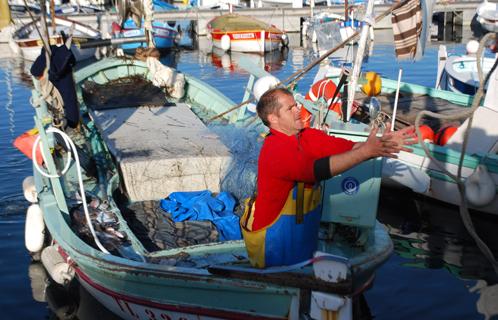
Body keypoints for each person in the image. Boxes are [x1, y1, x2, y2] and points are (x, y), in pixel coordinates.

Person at [240, 88, 416, 268]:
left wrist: (382, 144)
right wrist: (365, 153)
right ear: (273, 119)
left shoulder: (305, 136)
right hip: (273, 249)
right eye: (290, 108)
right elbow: (317, 170)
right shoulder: (275, 151)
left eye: (296, 105)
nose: (298, 110)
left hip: (300, 245)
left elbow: (348, 148)